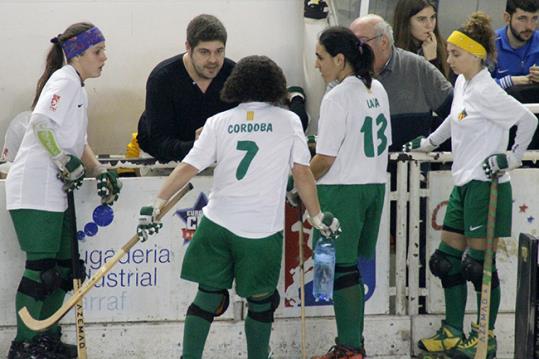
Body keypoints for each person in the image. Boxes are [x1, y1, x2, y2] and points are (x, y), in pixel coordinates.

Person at [135, 55, 341, 359]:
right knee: (260, 304)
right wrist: (316, 214)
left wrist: (157, 202)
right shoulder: (288, 121)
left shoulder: (218, 122)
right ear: (276, 85)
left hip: (216, 225)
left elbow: (189, 166)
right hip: (260, 232)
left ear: (237, 84)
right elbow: (302, 172)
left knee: (206, 297)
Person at [403, 12, 537, 358]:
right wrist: (429, 142)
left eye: (455, 54)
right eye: (448, 53)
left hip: (486, 186)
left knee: (479, 268)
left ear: (476, 55)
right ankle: (451, 331)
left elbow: (527, 119)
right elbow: (453, 118)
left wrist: (512, 157)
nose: (449, 59)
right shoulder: (464, 83)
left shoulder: (488, 90)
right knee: (445, 261)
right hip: (464, 183)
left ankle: (484, 339)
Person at [5, 22, 122, 359]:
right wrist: (60, 160)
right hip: (34, 186)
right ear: (78, 54)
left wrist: (98, 169)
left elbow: (78, 142)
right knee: (41, 271)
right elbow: (40, 122)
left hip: (52, 189)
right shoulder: (64, 79)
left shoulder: (78, 88)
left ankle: (46, 339)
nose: (104, 57)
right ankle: (24, 346)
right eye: (98, 52)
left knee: (65, 270)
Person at [307, 26, 391, 359]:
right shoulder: (378, 88)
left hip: (343, 191)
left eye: (320, 57)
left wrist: (297, 182)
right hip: (373, 187)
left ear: (339, 59)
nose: (317, 64)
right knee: (351, 268)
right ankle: (354, 343)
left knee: (339, 269)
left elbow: (324, 159)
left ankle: (349, 349)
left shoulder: (337, 96)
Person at [136, 14, 236, 163]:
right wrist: (197, 146)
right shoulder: (162, 78)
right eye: (204, 52)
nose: (213, 60)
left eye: (219, 51)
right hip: (164, 159)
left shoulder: (234, 75)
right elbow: (158, 142)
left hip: (217, 157)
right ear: (188, 47)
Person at [350, 14, 452, 153]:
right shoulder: (347, 72)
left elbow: (456, 114)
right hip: (360, 170)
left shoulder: (417, 68)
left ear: (384, 42)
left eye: (361, 42)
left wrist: (432, 142)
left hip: (410, 170)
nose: (354, 49)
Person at [393, 0, 450, 80]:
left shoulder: (448, 50)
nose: (429, 25)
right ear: (406, 21)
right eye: (422, 19)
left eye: (432, 17)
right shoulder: (391, 52)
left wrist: (432, 60)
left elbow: (441, 89)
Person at [492, 0, 539, 89]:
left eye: (534, 18)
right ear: (507, 18)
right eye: (522, 18)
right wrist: (511, 81)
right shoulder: (490, 45)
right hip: (499, 101)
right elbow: (477, 86)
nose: (529, 26)